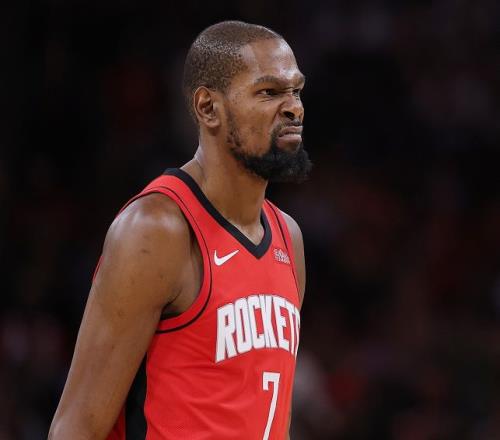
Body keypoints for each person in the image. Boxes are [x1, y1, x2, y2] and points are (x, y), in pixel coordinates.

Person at [48, 20, 311, 440]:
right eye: (269, 92)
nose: (293, 107)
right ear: (208, 108)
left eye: (296, 90)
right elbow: (76, 426)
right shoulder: (157, 230)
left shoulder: (287, 237)